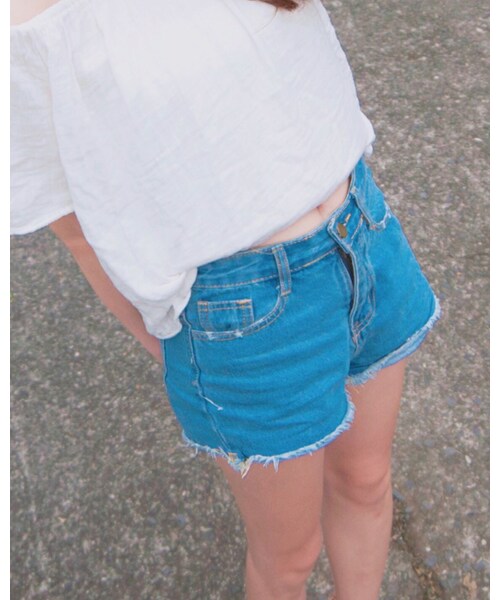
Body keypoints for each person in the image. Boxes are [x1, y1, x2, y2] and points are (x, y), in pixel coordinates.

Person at [10, 0, 442, 598]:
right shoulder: (29, 23)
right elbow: (74, 227)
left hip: (362, 226)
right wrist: (175, 347)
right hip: (242, 309)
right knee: (289, 558)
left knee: (367, 481)